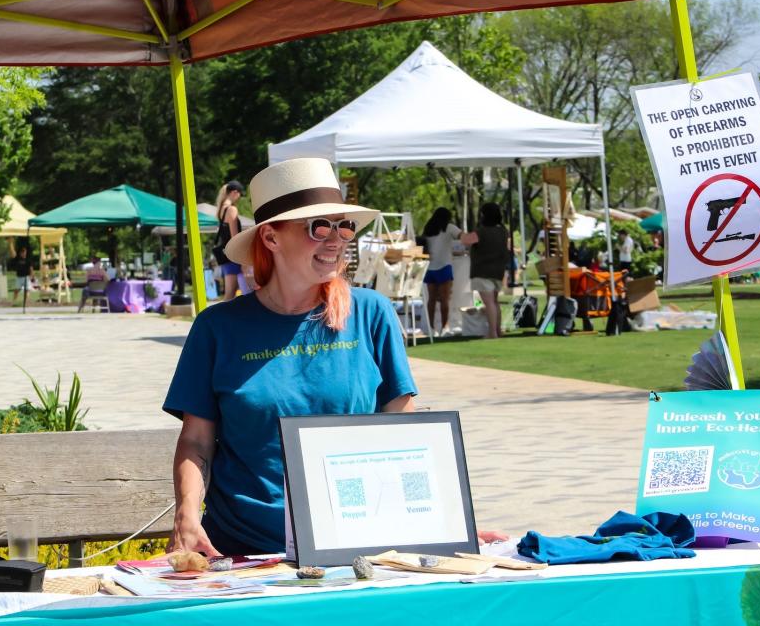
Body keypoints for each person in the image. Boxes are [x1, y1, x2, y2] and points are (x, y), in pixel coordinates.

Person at [164, 159, 505, 556]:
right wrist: (186, 516)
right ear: (271, 238)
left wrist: (445, 522)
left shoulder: (371, 313)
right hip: (240, 551)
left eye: (344, 227)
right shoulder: (217, 327)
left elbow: (404, 430)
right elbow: (196, 441)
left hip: (356, 545)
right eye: (319, 227)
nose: (338, 240)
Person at [464, 203, 510, 339]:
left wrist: (458, 233)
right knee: (495, 302)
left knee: (489, 303)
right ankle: (498, 330)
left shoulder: (481, 232)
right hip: (498, 271)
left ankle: (492, 333)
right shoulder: (503, 231)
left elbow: (466, 241)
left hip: (482, 271)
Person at [421, 207, 462, 336]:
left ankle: (431, 327)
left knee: (431, 299)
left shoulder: (428, 228)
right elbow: (462, 236)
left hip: (429, 267)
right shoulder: (449, 227)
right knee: (445, 299)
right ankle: (445, 326)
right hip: (444, 266)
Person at [212, 180, 244, 302]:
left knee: (230, 291)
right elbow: (235, 236)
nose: (239, 197)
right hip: (232, 255)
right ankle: (220, 319)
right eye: (239, 194)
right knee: (231, 292)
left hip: (225, 254)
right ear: (235, 192)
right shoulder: (231, 210)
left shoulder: (221, 209)